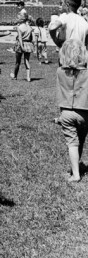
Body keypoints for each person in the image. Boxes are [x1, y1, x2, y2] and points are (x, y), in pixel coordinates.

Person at [55, 39, 88, 182]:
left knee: (72, 143)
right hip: (85, 111)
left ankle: (75, 174)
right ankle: (77, 169)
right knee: (81, 139)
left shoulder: (60, 71)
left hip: (66, 112)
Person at [11, 13, 33, 82]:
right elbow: (31, 38)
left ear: (21, 19)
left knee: (18, 61)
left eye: (18, 18)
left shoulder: (19, 27)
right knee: (26, 61)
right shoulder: (29, 27)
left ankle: (15, 75)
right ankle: (28, 77)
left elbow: (20, 38)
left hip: (20, 44)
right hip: (28, 44)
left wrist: (22, 46)